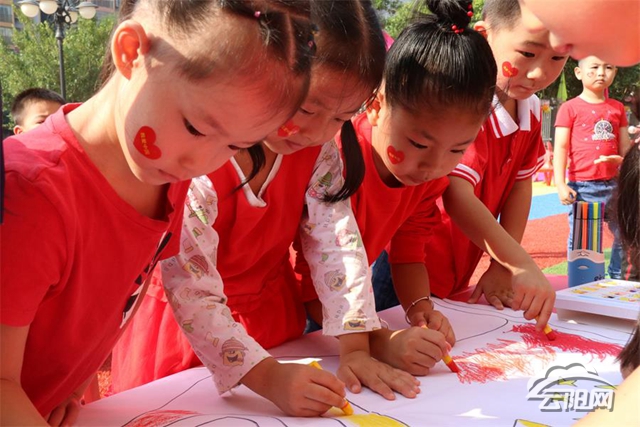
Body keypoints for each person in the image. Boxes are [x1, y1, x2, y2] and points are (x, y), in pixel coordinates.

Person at [0, 0, 317, 423]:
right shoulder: (28, 193)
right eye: (195, 128)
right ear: (131, 52)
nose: (200, 163)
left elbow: (122, 292)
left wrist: (71, 383)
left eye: (234, 145)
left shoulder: (167, 173)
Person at [112, 0, 422, 414]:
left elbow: (337, 245)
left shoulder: (319, 155)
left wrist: (355, 349)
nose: (317, 132)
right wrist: (267, 377)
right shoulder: (198, 156)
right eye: (307, 108)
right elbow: (190, 286)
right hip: (186, 336)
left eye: (341, 118)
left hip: (274, 325)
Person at [298, 0, 499, 375]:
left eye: (457, 150)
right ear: (376, 105)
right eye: (419, 144)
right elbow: (312, 284)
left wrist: (420, 306)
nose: (433, 167)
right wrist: (379, 342)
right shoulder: (334, 162)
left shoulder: (427, 180)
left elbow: (408, 255)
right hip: (301, 323)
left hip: (346, 319)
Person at [374, 0, 561, 330]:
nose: (539, 72)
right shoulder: (459, 112)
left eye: (557, 58)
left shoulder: (530, 110)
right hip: (411, 264)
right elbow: (456, 194)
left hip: (454, 267)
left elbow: (520, 184)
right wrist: (518, 262)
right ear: (485, 35)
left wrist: (503, 264)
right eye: (528, 53)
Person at [553, 56, 632, 279]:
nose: (601, 73)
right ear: (578, 73)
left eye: (608, 67)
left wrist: (621, 162)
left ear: (615, 72)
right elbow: (561, 147)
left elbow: (625, 148)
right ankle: (584, 280)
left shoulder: (617, 108)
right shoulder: (569, 108)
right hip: (583, 187)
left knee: (625, 232)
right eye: (595, 67)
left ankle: (617, 276)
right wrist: (560, 184)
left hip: (615, 186)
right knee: (585, 239)